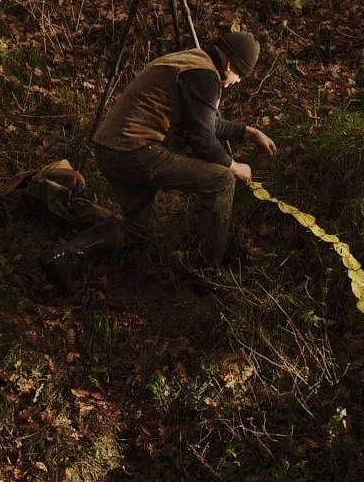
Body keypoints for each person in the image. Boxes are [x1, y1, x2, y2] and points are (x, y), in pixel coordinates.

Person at [41, 30, 277, 292]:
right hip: (134, 152)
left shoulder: (193, 61)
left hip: (110, 149)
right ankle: (207, 274)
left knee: (140, 227)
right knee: (221, 181)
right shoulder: (205, 76)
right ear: (230, 65)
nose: (236, 82)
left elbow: (203, 122)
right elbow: (201, 136)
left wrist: (248, 132)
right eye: (239, 76)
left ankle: (64, 256)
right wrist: (234, 166)